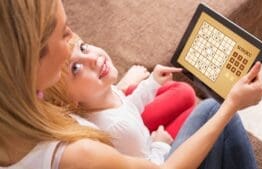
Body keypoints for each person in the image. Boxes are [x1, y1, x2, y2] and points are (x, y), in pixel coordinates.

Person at [0, 0, 262, 169]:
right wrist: (231, 105)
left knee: (184, 93)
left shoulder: (26, 109)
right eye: (65, 32)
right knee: (212, 111)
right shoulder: (78, 155)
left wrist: (130, 87)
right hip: (153, 156)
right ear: (31, 59)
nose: (72, 40)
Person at [44, 34, 196, 164]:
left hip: (137, 129)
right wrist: (160, 145)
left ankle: (130, 85)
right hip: (149, 151)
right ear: (69, 99)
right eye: (76, 68)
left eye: (83, 48)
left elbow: (128, 107)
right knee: (201, 112)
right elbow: (151, 165)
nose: (93, 58)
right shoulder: (119, 128)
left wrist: (152, 83)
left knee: (185, 92)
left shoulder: (103, 97)